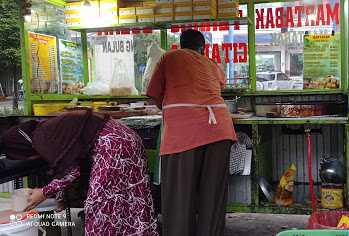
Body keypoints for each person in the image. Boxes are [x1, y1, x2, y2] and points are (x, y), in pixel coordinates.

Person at [1, 110, 158, 236]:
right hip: (129, 139)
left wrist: (43, 192)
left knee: (99, 206)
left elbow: (71, 171)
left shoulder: (42, 138)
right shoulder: (48, 129)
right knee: (130, 199)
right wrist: (60, 197)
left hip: (113, 145)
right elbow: (75, 160)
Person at [147, 29, 237, 236]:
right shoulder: (211, 64)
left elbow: (153, 93)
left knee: (180, 195)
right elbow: (217, 86)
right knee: (212, 195)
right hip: (220, 130)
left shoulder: (169, 57)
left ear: (180, 44)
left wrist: (175, 111)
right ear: (202, 48)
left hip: (184, 133)